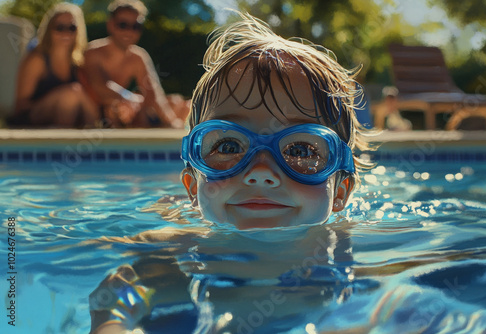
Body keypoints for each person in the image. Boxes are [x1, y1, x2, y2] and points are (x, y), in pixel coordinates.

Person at [88, 13, 374, 334]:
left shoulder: (359, 257)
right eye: (227, 147)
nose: (261, 174)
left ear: (340, 190)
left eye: (300, 151)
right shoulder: (173, 249)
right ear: (192, 187)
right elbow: (114, 295)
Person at [82, 0, 184, 128]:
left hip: (121, 112)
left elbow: (153, 93)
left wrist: (171, 122)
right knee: (125, 104)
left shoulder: (138, 56)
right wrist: (129, 98)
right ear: (110, 25)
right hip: (90, 113)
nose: (129, 31)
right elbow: (100, 86)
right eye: (123, 25)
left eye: (136, 26)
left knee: (174, 103)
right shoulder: (93, 52)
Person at [11, 2, 99, 128]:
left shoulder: (78, 61)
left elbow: (88, 98)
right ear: (49, 29)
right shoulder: (37, 59)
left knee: (81, 97)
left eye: (72, 28)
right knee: (72, 94)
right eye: (60, 27)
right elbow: (20, 106)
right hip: (31, 119)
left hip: (67, 118)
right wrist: (58, 99)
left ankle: (98, 141)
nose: (66, 33)